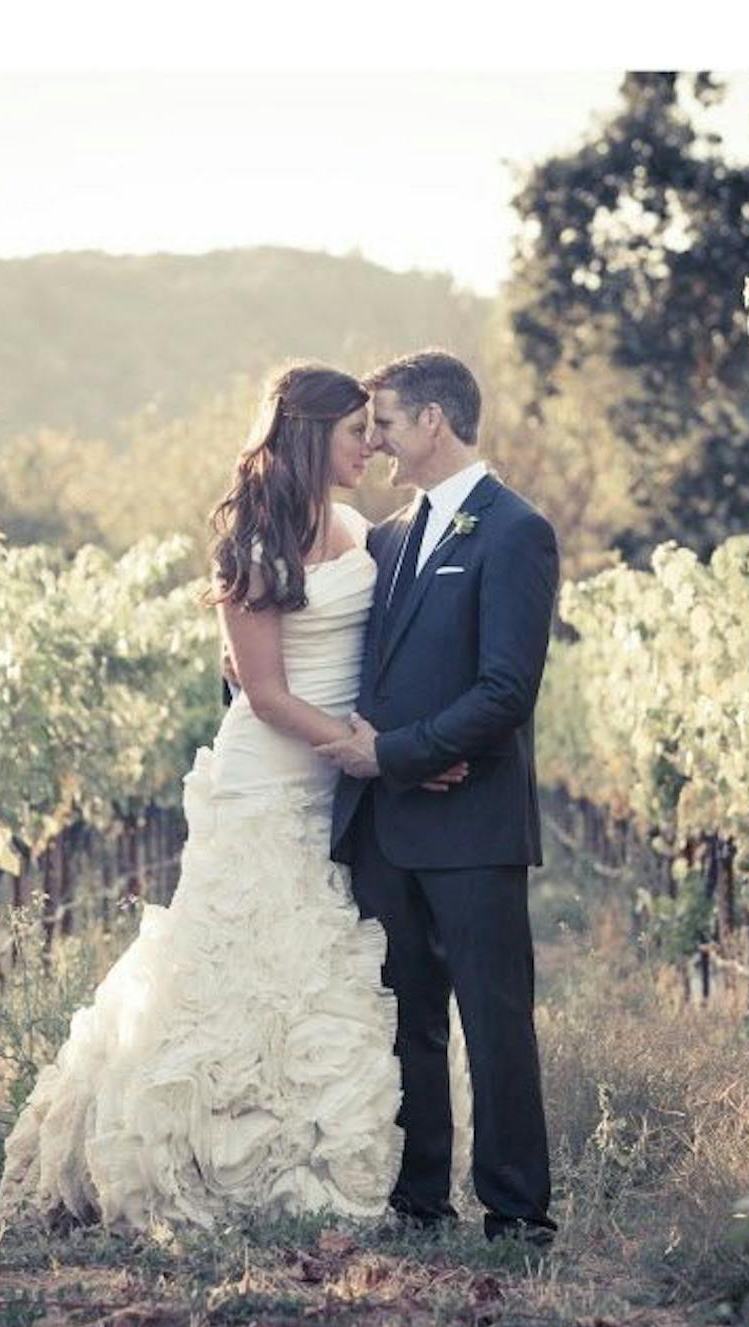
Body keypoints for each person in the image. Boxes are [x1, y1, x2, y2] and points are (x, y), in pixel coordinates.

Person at [0, 362, 428, 1231]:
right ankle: (195, 1157)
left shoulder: (352, 525)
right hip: (272, 773)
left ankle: (306, 1152)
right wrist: (354, 749)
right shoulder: (253, 545)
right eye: (356, 433)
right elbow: (261, 692)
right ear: (311, 437)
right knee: (241, 955)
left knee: (313, 965)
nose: (371, 447)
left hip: (337, 778)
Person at [314, 349, 561, 1247]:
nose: (372, 439)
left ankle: (517, 1209)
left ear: (432, 422)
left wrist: (403, 756)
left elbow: (506, 690)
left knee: (494, 1022)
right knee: (407, 1016)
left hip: (472, 827)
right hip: (388, 829)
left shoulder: (514, 531)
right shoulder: (385, 538)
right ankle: (420, 1197)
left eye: (383, 421)